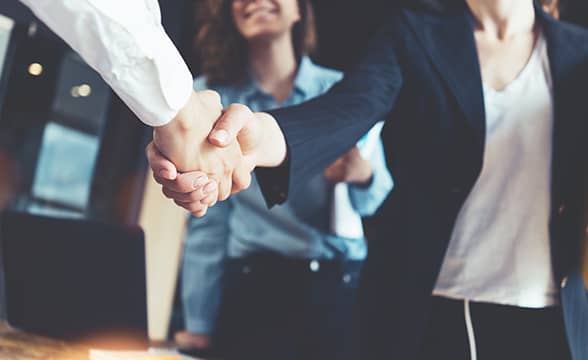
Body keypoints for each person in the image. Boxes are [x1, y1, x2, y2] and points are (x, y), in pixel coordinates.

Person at [149, 0, 588, 358]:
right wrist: (258, 138)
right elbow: (346, 110)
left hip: (553, 312)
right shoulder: (416, 33)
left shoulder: (579, 55)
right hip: (430, 307)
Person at [175, 1, 392, 359]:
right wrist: (198, 322)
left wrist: (362, 175)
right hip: (253, 287)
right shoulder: (212, 102)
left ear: (299, 11)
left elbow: (374, 201)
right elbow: (207, 224)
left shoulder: (342, 92)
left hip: (338, 286)